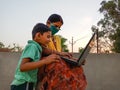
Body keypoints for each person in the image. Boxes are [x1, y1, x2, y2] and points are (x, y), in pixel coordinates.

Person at [36, 14, 87, 90]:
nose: (57, 29)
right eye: (56, 26)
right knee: (58, 67)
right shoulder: (41, 34)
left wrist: (74, 60)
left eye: (59, 28)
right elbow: (42, 49)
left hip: (56, 61)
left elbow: (62, 56)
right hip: (45, 66)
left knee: (77, 68)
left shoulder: (58, 39)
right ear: (48, 23)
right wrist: (59, 54)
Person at [10, 23, 61, 90]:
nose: (49, 40)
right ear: (38, 35)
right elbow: (23, 67)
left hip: (27, 84)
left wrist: (61, 54)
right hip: (23, 84)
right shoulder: (32, 47)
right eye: (48, 37)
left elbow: (47, 51)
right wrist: (45, 61)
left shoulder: (38, 47)